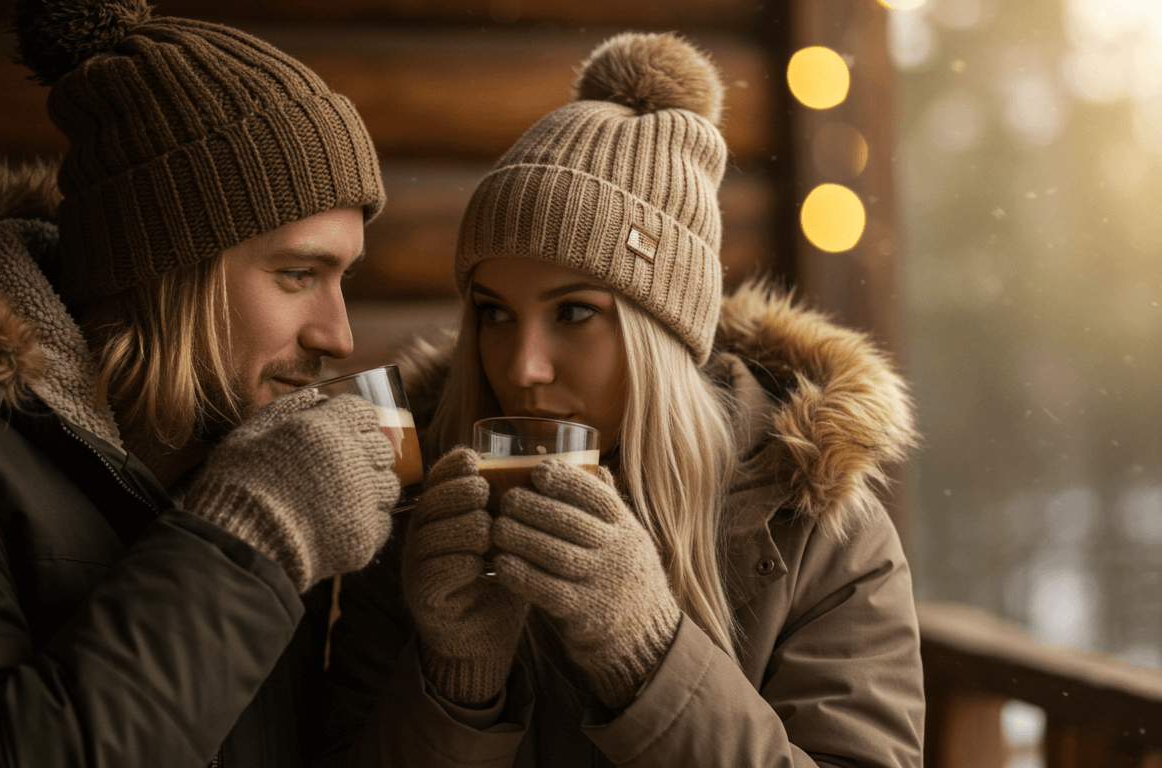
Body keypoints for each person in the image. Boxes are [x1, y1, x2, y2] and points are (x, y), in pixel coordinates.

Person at [0, 0, 400, 766]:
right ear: (165, 272)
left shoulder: (243, 447)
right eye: (298, 274)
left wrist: (458, 675)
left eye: (344, 278)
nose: (340, 335)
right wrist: (248, 540)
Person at [327, 32, 925, 766]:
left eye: (574, 312)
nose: (524, 367)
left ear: (662, 333)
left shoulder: (816, 528)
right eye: (493, 312)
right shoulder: (415, 507)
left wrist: (647, 655)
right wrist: (457, 684)